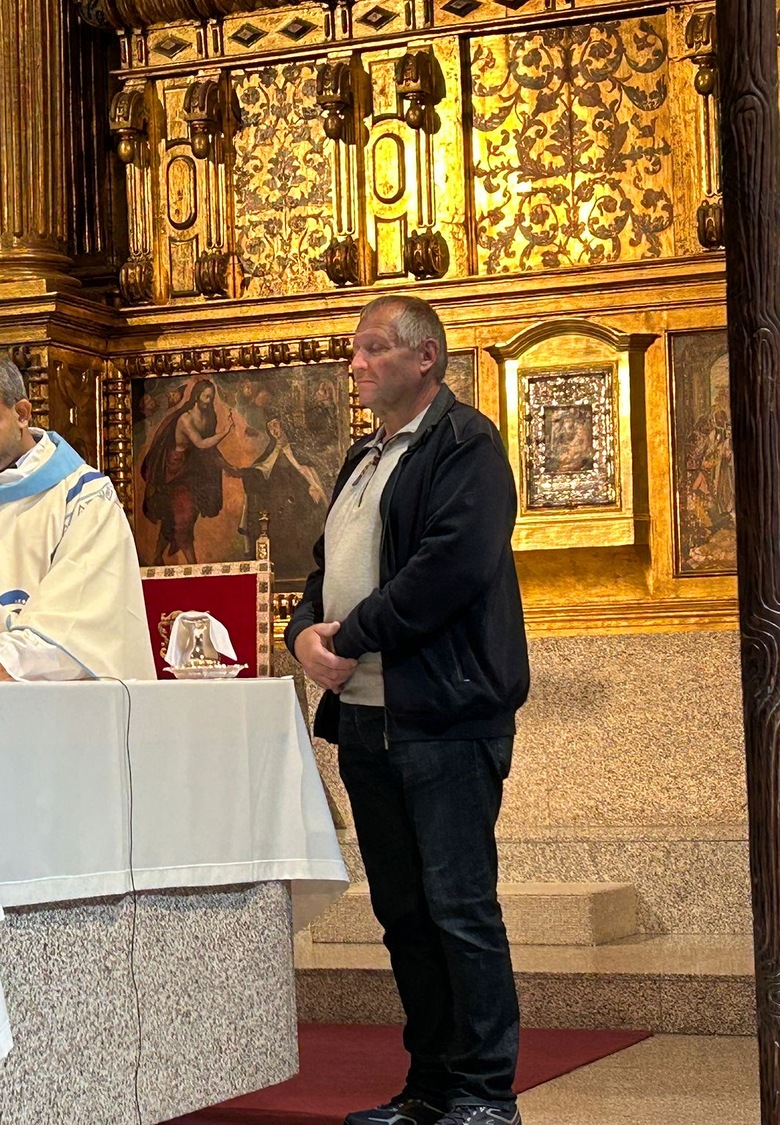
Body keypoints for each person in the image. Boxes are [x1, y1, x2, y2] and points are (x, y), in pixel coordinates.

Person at [284, 296, 530, 1125]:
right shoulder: (363, 457)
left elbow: (448, 568)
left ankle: (486, 1093)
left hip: (444, 716)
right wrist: (301, 635)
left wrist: (350, 635)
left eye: (373, 348)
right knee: (405, 915)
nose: (355, 363)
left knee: (460, 909)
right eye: (353, 350)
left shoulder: (466, 445)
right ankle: (428, 1088)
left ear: (426, 357)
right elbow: (323, 571)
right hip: (366, 718)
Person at [0, 354, 155, 682]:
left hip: (60, 700)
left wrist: (6, 658)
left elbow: (84, 610)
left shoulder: (84, 497)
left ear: (22, 413)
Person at [140, 377, 234, 563]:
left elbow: (210, 448)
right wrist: (225, 432)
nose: (209, 401)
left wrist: (225, 464)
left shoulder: (210, 417)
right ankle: (193, 566)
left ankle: (157, 557)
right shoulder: (185, 419)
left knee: (176, 516)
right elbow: (200, 443)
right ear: (197, 396)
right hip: (176, 471)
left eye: (212, 397)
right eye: (206, 396)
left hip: (194, 470)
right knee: (183, 519)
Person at [236, 413, 328, 573]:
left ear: (283, 425)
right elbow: (261, 469)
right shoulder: (271, 452)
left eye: (276, 425)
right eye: (270, 428)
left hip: (299, 499)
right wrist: (246, 473)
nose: (274, 430)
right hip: (278, 503)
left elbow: (307, 470)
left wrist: (312, 486)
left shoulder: (298, 450)